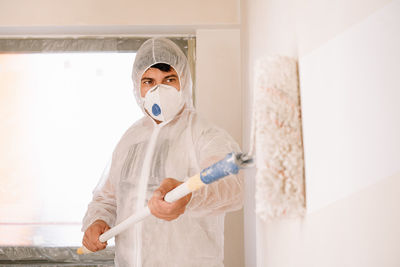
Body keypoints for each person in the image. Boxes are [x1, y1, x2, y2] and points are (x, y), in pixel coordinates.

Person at [81, 38, 244, 267]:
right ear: (138, 87)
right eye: (149, 81)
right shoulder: (130, 140)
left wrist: (188, 194)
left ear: (184, 82)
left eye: (169, 79)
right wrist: (97, 221)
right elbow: (107, 199)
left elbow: (232, 185)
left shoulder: (202, 134)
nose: (159, 89)